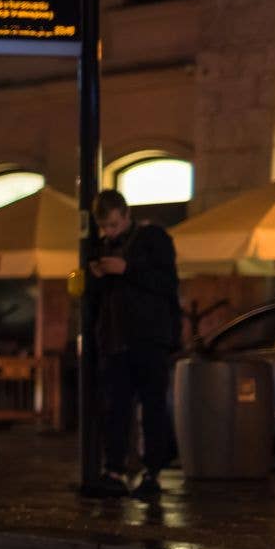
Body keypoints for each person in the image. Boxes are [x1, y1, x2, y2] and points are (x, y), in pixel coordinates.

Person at [88, 188, 180, 498]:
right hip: (116, 339)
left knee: (152, 407)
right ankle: (114, 470)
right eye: (105, 226)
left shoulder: (152, 238)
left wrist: (127, 269)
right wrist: (97, 276)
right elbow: (100, 299)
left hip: (149, 338)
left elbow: (167, 282)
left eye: (114, 224)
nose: (109, 232)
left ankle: (151, 473)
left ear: (127, 215)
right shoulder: (103, 247)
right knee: (116, 408)